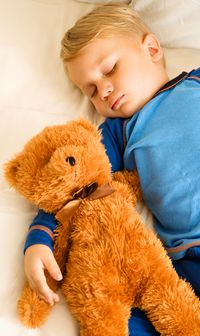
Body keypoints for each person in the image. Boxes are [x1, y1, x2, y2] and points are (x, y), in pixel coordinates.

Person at [23, 4, 200, 335]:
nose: (102, 91)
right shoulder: (119, 133)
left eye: (109, 70)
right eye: (89, 90)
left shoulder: (196, 83)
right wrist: (40, 239)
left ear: (151, 49)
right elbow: (76, 182)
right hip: (191, 256)